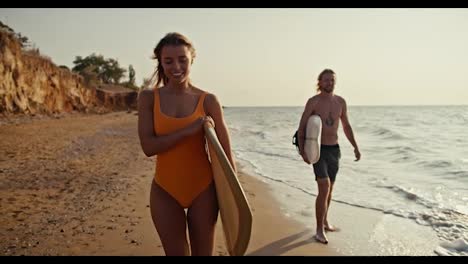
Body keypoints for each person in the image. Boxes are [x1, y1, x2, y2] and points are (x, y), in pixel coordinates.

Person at [137, 32, 236, 256]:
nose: (176, 67)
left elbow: (226, 156)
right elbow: (148, 147)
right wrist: (190, 130)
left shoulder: (208, 100)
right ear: (161, 63)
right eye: (169, 61)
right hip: (165, 190)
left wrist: (234, 198)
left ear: (192, 59)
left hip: (204, 190)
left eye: (183, 59)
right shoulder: (148, 98)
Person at [297, 68, 361, 244]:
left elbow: (346, 126)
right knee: (324, 188)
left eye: (332, 80)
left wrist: (355, 146)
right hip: (318, 150)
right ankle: (318, 230)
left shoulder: (340, 102)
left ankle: (325, 221)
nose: (329, 83)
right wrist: (302, 150)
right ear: (319, 82)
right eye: (326, 80)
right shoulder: (314, 102)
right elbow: (302, 126)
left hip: (334, 150)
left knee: (330, 190)